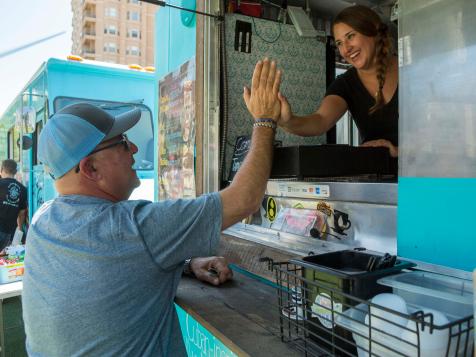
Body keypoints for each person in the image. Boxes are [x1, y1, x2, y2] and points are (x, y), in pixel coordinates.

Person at [22, 58, 282, 357]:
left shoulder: (42, 222)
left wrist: (184, 264)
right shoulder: (132, 228)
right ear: (91, 168)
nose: (134, 148)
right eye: (121, 142)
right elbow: (245, 199)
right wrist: (265, 120)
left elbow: (114, 270)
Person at [278, 5, 399, 158]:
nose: (346, 49)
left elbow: (437, 132)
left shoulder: (412, 68)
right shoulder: (345, 84)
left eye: (350, 36)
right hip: (377, 178)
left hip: (426, 175)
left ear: (373, 31)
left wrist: (398, 151)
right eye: (340, 43)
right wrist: (287, 121)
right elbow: (320, 120)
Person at [0, 159, 27, 251]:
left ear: (1, 169)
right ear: (15, 172)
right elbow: (22, 213)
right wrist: (19, 228)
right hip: (8, 232)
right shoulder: (22, 189)